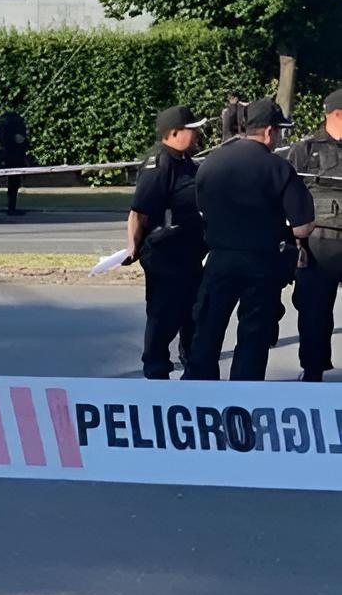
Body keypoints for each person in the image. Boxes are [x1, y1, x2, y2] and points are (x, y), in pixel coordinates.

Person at [185, 99, 314, 381]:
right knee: (253, 334)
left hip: (219, 259)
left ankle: (198, 389)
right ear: (269, 131)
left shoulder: (210, 164)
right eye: (279, 131)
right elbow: (303, 227)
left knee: (207, 328)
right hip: (261, 262)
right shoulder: (277, 168)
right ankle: (244, 395)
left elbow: (201, 207)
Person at [125, 106, 208, 379]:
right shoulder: (159, 164)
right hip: (166, 255)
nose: (197, 135)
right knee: (164, 314)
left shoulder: (184, 161)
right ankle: (156, 369)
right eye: (191, 130)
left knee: (193, 312)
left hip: (189, 252)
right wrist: (133, 247)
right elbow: (139, 213)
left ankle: (192, 366)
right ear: (174, 133)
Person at [287, 88, 342, 382]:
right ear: (337, 114)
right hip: (317, 244)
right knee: (314, 312)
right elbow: (288, 196)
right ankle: (313, 370)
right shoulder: (305, 149)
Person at [0, 111, 29, 215]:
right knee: (14, 183)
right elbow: (20, 140)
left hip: (8, 157)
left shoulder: (5, 131)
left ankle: (11, 207)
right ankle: (11, 208)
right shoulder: (16, 129)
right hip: (16, 159)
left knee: (12, 184)